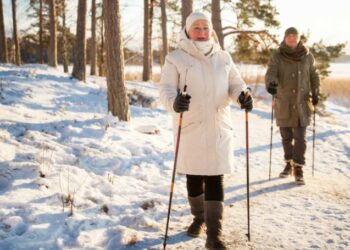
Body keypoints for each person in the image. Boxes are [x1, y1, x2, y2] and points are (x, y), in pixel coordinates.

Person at [159, 12, 253, 250]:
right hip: (190, 126)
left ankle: (214, 234)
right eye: (197, 27)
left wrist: (243, 96)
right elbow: (166, 91)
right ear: (188, 31)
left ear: (211, 31)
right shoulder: (175, 58)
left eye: (205, 28)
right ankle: (199, 216)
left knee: (215, 176)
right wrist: (174, 102)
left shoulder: (223, 57)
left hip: (218, 126)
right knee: (193, 176)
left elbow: (235, 84)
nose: (201, 32)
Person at [265, 27, 320, 185]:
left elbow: (314, 74)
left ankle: (299, 167)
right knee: (286, 137)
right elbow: (271, 72)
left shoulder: (307, 55)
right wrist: (271, 84)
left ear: (298, 38)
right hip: (284, 102)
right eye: (288, 36)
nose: (291, 38)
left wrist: (316, 92)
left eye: (294, 36)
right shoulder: (277, 55)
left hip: (302, 103)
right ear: (284, 38)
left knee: (300, 138)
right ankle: (288, 164)